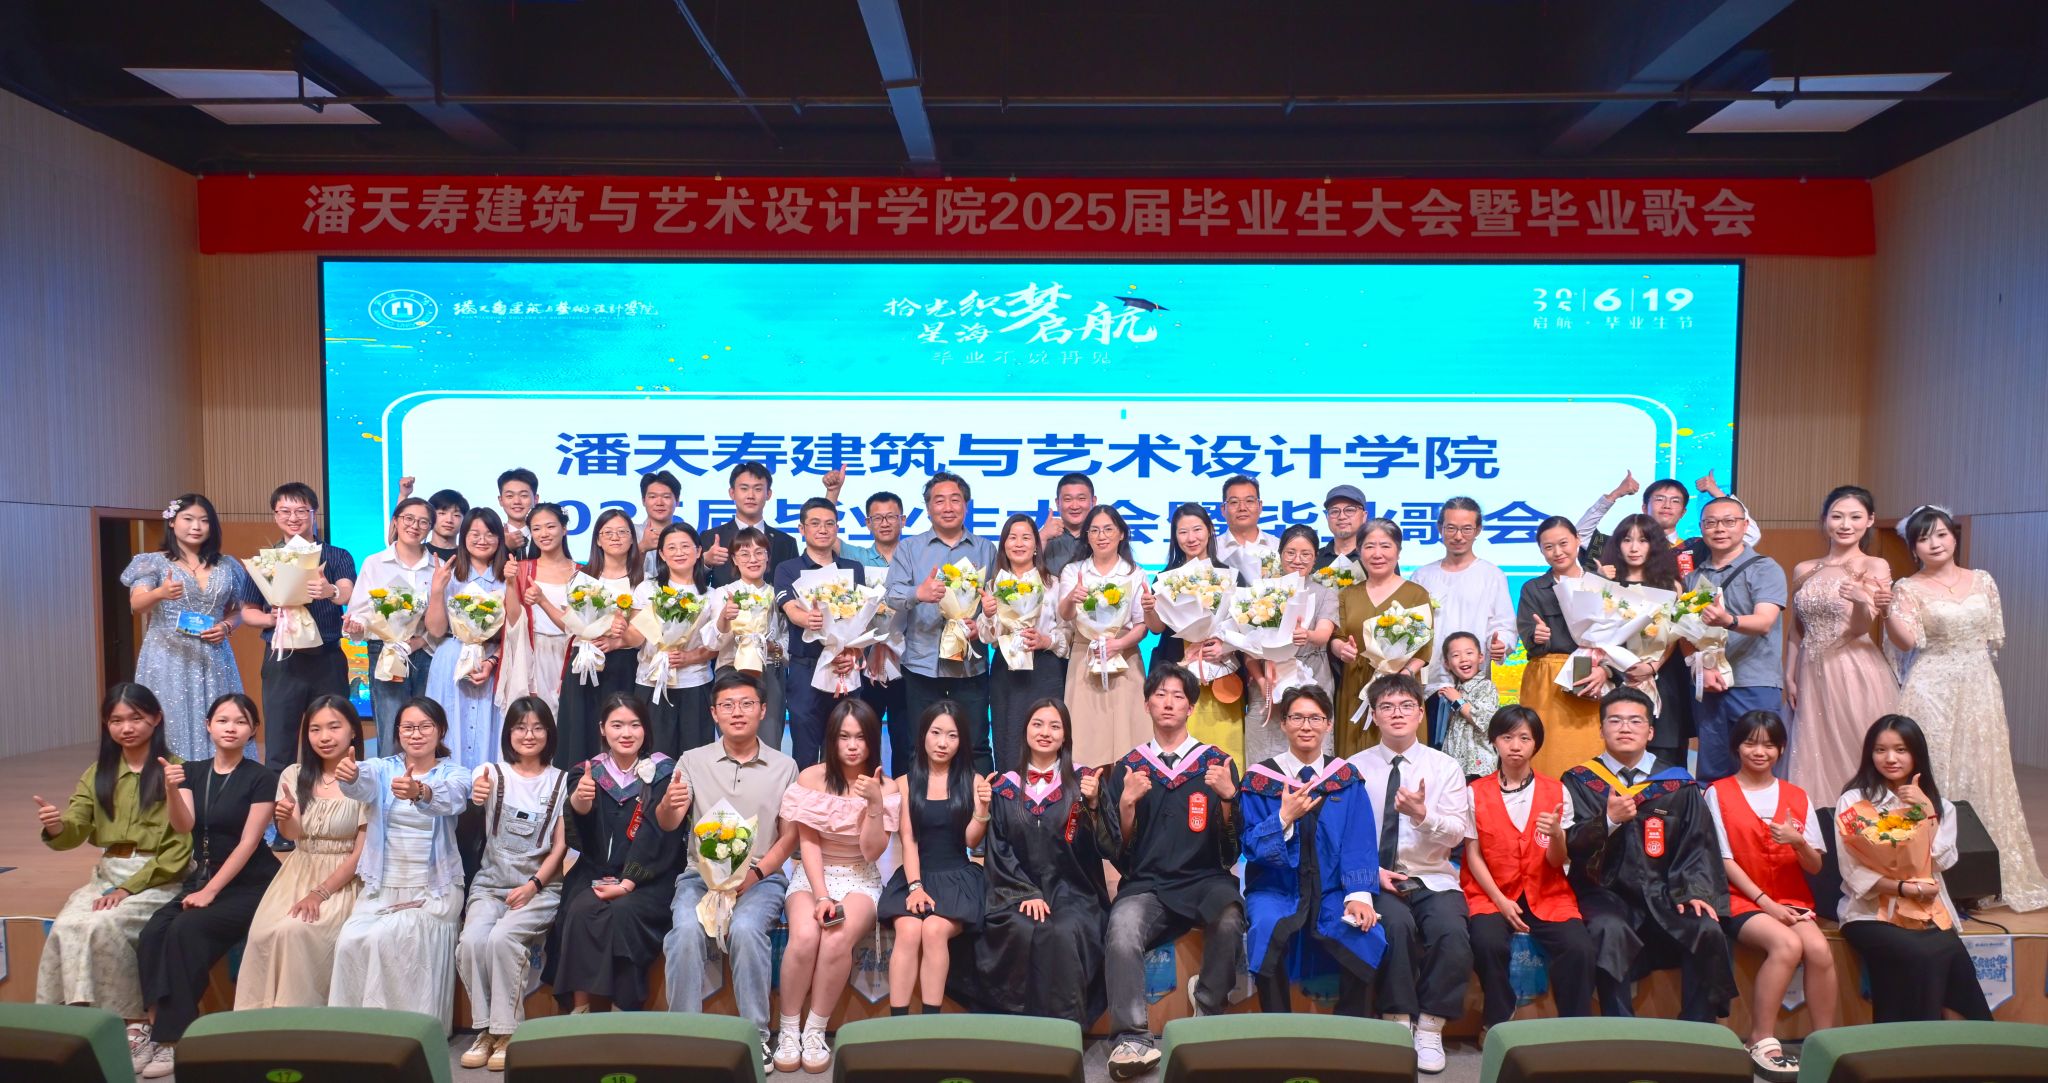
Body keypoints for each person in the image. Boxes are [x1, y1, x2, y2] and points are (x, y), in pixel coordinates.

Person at [1884, 505, 2048, 911]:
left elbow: (1991, 637)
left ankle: (1985, 873)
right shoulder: (1907, 588)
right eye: (1924, 538)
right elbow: (1906, 642)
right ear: (1913, 547)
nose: (1935, 543)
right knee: (1933, 769)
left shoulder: (1983, 580)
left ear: (1954, 536)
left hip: (1978, 686)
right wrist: (1888, 609)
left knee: (1984, 770)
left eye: (1941, 534)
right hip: (1930, 686)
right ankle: (1928, 870)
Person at [1093, 665, 1246, 1081]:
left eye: (1178, 696)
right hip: (1149, 883)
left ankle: (1208, 1009)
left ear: (1191, 707)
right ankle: (1131, 1037)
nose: (1168, 703)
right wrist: (1126, 804)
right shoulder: (1129, 768)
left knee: (1230, 916)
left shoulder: (1216, 763)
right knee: (1122, 927)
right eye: (1160, 695)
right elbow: (1119, 851)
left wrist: (1228, 798)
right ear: (1147, 704)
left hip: (1204, 878)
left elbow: (1231, 848)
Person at [35, 684, 193, 1066]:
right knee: (68, 925)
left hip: (158, 876)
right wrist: (56, 827)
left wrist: (127, 889)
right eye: (116, 720)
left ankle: (132, 1023)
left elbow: (179, 848)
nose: (126, 728)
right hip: (107, 874)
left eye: (135, 718)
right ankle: (69, 1023)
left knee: (104, 925)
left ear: (156, 718)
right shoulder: (97, 773)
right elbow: (76, 827)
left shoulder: (174, 769)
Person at [656, 671, 800, 1070]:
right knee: (684, 931)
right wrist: (668, 803)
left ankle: (756, 1037)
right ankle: (685, 1035)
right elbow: (669, 822)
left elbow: (789, 837)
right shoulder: (692, 760)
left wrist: (756, 876)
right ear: (714, 713)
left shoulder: (785, 766)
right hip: (699, 876)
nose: (738, 712)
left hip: (760, 877)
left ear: (763, 710)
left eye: (747, 704)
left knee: (747, 930)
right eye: (728, 705)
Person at [1563, 687, 1734, 1023]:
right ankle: (1621, 1031)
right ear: (1601, 729)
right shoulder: (1580, 780)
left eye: (1635, 721)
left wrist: (1695, 892)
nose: (1625, 728)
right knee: (1608, 929)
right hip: (1604, 892)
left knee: (1706, 927)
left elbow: (1698, 844)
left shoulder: (1678, 784)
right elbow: (1571, 844)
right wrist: (1608, 820)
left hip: (1667, 892)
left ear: (1650, 731)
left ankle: (1699, 1031)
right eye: (1615, 721)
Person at [132, 695, 279, 1079]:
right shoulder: (190, 771)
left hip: (250, 884)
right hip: (202, 880)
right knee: (153, 932)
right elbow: (184, 825)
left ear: (253, 730)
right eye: (223, 720)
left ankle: (173, 1040)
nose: (231, 727)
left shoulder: (262, 778)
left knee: (186, 929)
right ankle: (156, 1028)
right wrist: (170, 790)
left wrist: (211, 891)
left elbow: (249, 843)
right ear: (208, 725)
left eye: (241, 721)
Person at [1344, 673, 1472, 1074]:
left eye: (1405, 706)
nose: (1396, 714)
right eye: (1386, 707)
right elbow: (1344, 835)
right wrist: (1370, 873)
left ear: (1420, 713)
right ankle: (1397, 1020)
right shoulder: (1354, 768)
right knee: (1395, 927)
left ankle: (1431, 1025)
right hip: (1377, 876)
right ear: (1374, 715)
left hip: (1432, 875)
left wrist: (1422, 815)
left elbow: (1458, 833)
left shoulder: (1445, 767)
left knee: (1451, 931)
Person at [1834, 714, 1993, 1023]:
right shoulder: (1854, 801)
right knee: (1920, 955)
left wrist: (1925, 811)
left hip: (1927, 912)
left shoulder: (1940, 805)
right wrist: (1904, 888)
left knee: (1954, 957)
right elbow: (1851, 870)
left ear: (1916, 754)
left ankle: (1967, 1045)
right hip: (1870, 913)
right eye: (1880, 750)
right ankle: (1912, 1042)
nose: (1890, 758)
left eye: (1901, 750)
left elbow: (1940, 862)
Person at [329, 696, 470, 1034]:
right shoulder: (381, 768)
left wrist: (419, 791)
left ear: (441, 731)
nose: (416, 734)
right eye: (408, 727)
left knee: (389, 935)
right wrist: (349, 775)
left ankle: (405, 1034)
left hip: (434, 890)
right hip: (383, 887)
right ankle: (353, 1033)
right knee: (349, 940)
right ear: (397, 732)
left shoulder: (455, 772)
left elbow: (452, 798)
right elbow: (361, 783)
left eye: (424, 726)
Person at [1240, 686, 1383, 1018]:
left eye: (1315, 718)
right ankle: (1278, 1029)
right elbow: (1250, 845)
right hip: (1276, 888)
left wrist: (1359, 895)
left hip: (1333, 890)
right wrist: (1283, 818)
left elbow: (1359, 840)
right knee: (1266, 927)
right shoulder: (1260, 780)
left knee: (1365, 930)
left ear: (1329, 724)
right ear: (1283, 724)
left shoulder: (1346, 779)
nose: (1306, 726)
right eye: (1297, 717)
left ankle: (1352, 1030)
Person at [774, 699, 900, 1074]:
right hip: (813, 876)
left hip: (860, 876)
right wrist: (821, 895)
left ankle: (815, 1030)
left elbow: (872, 852)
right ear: (832, 739)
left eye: (861, 737)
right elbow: (808, 843)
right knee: (804, 936)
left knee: (836, 937)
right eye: (844, 737)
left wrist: (874, 805)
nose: (852, 745)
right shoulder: (810, 778)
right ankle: (788, 1030)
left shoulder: (887, 786)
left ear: (872, 740)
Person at [1710, 711, 1834, 1081]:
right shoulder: (1717, 792)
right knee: (1787, 945)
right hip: (1742, 899)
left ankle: (1824, 1042)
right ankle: (1761, 1039)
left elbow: (1815, 866)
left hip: (1792, 899)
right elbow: (1724, 860)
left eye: (1768, 744)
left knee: (1819, 950)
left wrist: (1798, 842)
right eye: (1750, 743)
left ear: (1781, 749)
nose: (1759, 751)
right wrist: (1766, 903)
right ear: (1737, 747)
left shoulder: (1797, 796)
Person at [974, 699, 1110, 1027]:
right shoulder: (1004, 786)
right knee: (1019, 929)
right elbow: (999, 848)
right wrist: (1026, 892)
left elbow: (1107, 845)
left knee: (1064, 931)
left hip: (1074, 890)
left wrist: (1095, 805)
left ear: (1065, 736)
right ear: (1025, 731)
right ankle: (1018, 1032)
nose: (1045, 732)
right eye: (1037, 724)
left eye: (1054, 726)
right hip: (1016, 892)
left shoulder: (1084, 782)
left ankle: (1064, 1033)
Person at [1462, 705, 1595, 1033]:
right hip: (1491, 893)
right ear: (1494, 741)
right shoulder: (1475, 792)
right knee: (1487, 942)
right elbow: (1473, 854)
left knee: (1578, 947)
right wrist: (1500, 900)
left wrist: (1557, 836)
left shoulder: (1557, 791)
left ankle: (1574, 1029)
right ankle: (1495, 1021)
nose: (1515, 746)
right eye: (1507, 737)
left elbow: (1557, 861)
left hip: (1547, 891)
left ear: (1536, 744)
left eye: (1525, 738)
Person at [455, 697, 569, 1068]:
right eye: (520, 727)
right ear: (508, 733)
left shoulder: (561, 781)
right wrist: (477, 794)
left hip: (540, 886)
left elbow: (560, 846)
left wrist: (534, 885)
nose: (528, 735)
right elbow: (475, 790)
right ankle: (486, 1030)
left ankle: (507, 1032)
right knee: (472, 941)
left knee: (503, 939)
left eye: (537, 727)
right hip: (491, 884)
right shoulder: (491, 772)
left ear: (549, 733)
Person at [234, 696, 367, 1011]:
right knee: (263, 933)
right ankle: (259, 1022)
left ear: (352, 731)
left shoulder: (366, 778)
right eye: (315, 729)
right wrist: (284, 816)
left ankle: (298, 1022)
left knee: (296, 931)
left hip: (343, 880)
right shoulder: (294, 774)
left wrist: (320, 894)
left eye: (334, 727)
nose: (324, 737)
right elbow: (292, 834)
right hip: (298, 869)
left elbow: (361, 854)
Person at [553, 693, 680, 1013]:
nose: (626, 733)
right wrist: (580, 801)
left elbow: (657, 834)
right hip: (596, 869)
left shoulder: (663, 773)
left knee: (624, 913)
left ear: (645, 730)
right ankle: (579, 1009)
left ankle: (623, 1008)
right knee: (580, 909)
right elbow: (579, 826)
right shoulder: (587, 772)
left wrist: (627, 882)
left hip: (649, 876)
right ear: (602, 728)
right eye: (617, 725)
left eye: (635, 725)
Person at [1786, 486, 1897, 805]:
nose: (1845, 524)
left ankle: (1867, 818)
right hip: (1810, 671)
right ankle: (1820, 820)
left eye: (1855, 517)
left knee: (1855, 744)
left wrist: (1861, 600)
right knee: (1813, 749)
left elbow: (1862, 628)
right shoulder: (1804, 568)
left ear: (1870, 520)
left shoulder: (1874, 565)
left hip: (1853, 668)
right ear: (1825, 519)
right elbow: (1796, 629)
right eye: (1837, 516)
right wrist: (1789, 675)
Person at [878, 702, 990, 1016]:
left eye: (952, 736)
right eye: (936, 733)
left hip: (957, 877)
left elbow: (970, 841)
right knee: (908, 931)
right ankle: (897, 1024)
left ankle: (930, 1023)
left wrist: (982, 809)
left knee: (934, 930)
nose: (943, 743)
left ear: (961, 741)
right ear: (923, 735)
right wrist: (915, 887)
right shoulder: (904, 783)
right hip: (915, 875)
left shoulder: (973, 780)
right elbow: (908, 840)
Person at [122, 493, 251, 761]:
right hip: (167, 657)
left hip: (214, 656)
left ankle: (219, 779)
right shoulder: (152, 562)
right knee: (171, 719)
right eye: (188, 519)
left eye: (204, 520)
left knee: (220, 717)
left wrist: (226, 626)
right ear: (172, 522)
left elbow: (240, 609)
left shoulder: (228, 565)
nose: (196, 526)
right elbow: (137, 603)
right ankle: (169, 779)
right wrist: (160, 593)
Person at [883, 472, 997, 772]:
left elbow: (997, 603)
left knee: (976, 745)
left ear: (966, 505)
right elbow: (891, 595)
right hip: (922, 665)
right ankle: (919, 804)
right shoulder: (910, 548)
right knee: (918, 746)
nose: (948, 507)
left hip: (970, 666)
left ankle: (981, 803)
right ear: (928, 507)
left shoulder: (986, 549)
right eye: (939, 500)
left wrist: (982, 625)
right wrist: (918, 593)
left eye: (955, 500)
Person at [240, 482, 356, 770]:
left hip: (327, 658)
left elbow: (347, 592)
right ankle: (282, 799)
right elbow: (248, 612)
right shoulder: (265, 561)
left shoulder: (337, 555)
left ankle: (337, 796)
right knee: (279, 743)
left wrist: (330, 591)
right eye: (285, 511)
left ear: (314, 513)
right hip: (282, 660)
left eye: (301, 510)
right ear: (275, 515)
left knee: (334, 737)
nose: (293, 518)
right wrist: (270, 618)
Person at [1688, 496, 1789, 785]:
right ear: (1701, 528)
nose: (1719, 528)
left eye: (1729, 521)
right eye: (1711, 523)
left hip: (1754, 682)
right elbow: (1688, 632)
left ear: (1745, 526)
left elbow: (1764, 621)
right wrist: (1701, 668)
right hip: (1711, 685)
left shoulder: (1765, 568)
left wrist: (1728, 620)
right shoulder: (1695, 576)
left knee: (1759, 765)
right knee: (1712, 771)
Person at [1145, 502, 1246, 766]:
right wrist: (1148, 609)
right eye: (1183, 532)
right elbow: (1157, 628)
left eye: (1197, 529)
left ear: (1210, 530)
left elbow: (1246, 626)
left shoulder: (1230, 576)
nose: (1191, 538)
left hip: (1222, 671)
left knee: (1224, 748)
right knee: (1181, 746)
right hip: (1179, 670)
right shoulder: (1165, 578)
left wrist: (1225, 645)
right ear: (1174, 537)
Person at [775, 497, 870, 768]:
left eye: (830, 524)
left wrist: (853, 653)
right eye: (815, 523)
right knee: (805, 751)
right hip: (805, 669)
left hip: (844, 668)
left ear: (837, 528)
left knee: (843, 751)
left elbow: (862, 619)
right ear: (802, 529)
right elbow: (790, 608)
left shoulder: (853, 569)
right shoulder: (787, 568)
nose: (823, 529)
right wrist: (809, 619)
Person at [1057, 503, 1153, 769]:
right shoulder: (1073, 571)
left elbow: (1142, 624)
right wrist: (1071, 598)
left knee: (1127, 737)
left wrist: (1119, 644)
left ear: (1121, 534)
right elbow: (1065, 614)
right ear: (1086, 536)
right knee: (1085, 736)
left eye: (1108, 529)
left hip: (1125, 659)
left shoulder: (1135, 573)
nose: (1102, 536)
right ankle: (1086, 792)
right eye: (1095, 530)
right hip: (1084, 656)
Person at [1516, 516, 1611, 779]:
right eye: (1548, 547)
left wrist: (1606, 671)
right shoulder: (1533, 588)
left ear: (1578, 540)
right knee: (1545, 753)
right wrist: (1537, 637)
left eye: (1563, 543)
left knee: (1590, 752)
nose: (1557, 552)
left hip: (1589, 675)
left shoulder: (1599, 584)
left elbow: (1616, 639)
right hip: (1546, 680)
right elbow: (1527, 635)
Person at [1331, 518, 1435, 758]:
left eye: (1385, 546)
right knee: (1355, 760)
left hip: (1400, 687)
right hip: (1356, 685)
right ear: (1359, 551)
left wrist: (1405, 674)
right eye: (1369, 546)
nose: (1377, 554)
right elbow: (1337, 636)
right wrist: (1341, 649)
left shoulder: (1416, 594)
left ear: (1398, 551)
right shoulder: (1347, 594)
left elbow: (1424, 647)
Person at [553, 508, 647, 768]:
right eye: (608, 533)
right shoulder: (581, 578)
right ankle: (578, 787)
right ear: (597, 539)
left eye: (622, 532)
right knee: (580, 730)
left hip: (622, 667)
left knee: (618, 729)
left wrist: (618, 640)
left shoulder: (642, 581)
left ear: (632, 538)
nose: (615, 537)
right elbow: (570, 622)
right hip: (584, 662)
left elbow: (641, 635)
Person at [344, 497, 436, 756]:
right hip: (385, 652)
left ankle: (422, 780)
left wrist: (421, 641)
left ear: (430, 528)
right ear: (395, 521)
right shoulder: (375, 563)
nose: (415, 526)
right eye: (409, 519)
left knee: (426, 727)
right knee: (391, 727)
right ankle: (391, 781)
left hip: (426, 654)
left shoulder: (436, 566)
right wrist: (356, 627)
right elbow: (360, 611)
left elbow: (445, 618)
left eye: (423, 522)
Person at [978, 512, 1069, 772]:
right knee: (1007, 738)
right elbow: (987, 637)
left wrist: (1046, 640)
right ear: (1004, 544)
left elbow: (1068, 633)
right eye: (1012, 537)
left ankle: (1048, 794)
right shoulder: (994, 585)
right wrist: (988, 614)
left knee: (1046, 737)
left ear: (1036, 545)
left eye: (1026, 538)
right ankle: (1009, 795)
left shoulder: (1052, 584)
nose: (1019, 543)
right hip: (1006, 672)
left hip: (1045, 670)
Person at [1599, 512, 1691, 764]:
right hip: (1616, 678)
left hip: (1662, 678)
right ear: (1617, 544)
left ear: (1655, 545)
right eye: (1627, 540)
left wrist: (1653, 666)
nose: (1634, 548)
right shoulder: (1606, 584)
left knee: (1664, 755)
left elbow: (1677, 635)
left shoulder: (1671, 585)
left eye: (1643, 540)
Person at [423, 508, 509, 769]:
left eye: (490, 534)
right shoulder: (449, 574)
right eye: (475, 533)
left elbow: (513, 633)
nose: (482, 540)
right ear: (464, 537)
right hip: (453, 657)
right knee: (450, 724)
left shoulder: (508, 577)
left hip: (493, 658)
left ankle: (487, 787)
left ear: (499, 538)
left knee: (490, 727)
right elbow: (436, 630)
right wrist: (437, 590)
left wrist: (493, 661)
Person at [1410, 497, 1515, 692]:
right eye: (1451, 528)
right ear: (1439, 529)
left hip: (1473, 684)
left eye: (1466, 529)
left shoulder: (1492, 575)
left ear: (1478, 530)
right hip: (1427, 681)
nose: (1458, 536)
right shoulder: (1422, 576)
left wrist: (1501, 644)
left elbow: (1504, 625)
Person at [635, 522, 718, 757]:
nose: (679, 553)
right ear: (661, 554)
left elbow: (716, 644)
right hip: (651, 682)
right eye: (671, 548)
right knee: (652, 758)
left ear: (699, 551)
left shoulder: (711, 595)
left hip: (695, 684)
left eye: (685, 546)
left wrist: (690, 657)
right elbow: (636, 638)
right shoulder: (647, 589)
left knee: (696, 757)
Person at [706, 527, 790, 752]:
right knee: (731, 741)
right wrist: (724, 618)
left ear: (768, 557)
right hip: (730, 670)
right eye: (744, 554)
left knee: (770, 742)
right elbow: (712, 643)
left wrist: (773, 648)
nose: (753, 559)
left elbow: (786, 640)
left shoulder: (778, 594)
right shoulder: (723, 594)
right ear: (734, 559)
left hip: (769, 673)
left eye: (759, 552)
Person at [1577, 470, 1759, 568]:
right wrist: (1615, 494)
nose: (1667, 505)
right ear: (1644, 508)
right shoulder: (1624, 545)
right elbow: (1580, 535)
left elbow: (1750, 534)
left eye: (1675, 501)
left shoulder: (1696, 548)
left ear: (1683, 513)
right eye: (1659, 499)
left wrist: (1717, 493)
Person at [497, 502, 575, 716]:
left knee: (569, 719)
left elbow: (579, 625)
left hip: (570, 654)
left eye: (550, 527)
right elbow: (513, 621)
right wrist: (510, 583)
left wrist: (542, 600)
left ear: (564, 529)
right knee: (534, 719)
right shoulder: (522, 568)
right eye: (537, 529)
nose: (544, 534)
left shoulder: (580, 572)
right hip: (533, 653)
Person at [704, 461, 799, 587]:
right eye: (744, 488)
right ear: (732, 493)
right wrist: (705, 563)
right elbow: (696, 588)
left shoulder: (786, 542)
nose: (750, 495)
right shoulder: (710, 537)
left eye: (758, 489)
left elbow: (796, 587)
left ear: (768, 494)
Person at [1429, 632, 1500, 779]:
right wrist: (1447, 702)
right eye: (1456, 655)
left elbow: (1484, 721)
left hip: (1478, 767)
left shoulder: (1486, 686)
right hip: (1455, 765)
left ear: (1481, 657)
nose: (1463, 659)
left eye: (1469, 653)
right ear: (1447, 664)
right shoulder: (1455, 689)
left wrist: (1458, 700)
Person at [1214, 474, 1280, 584]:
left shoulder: (1278, 546)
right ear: (1223, 509)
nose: (1242, 508)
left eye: (1249, 501)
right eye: (1234, 502)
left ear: (1260, 506)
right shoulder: (1212, 549)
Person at [1037, 472, 1098, 577]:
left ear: (1093, 501)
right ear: (1057, 503)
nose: (1074, 506)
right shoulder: (1044, 537)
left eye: (1081, 499)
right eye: (1068, 499)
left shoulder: (1103, 537)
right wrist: (1041, 538)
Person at [636, 470, 684, 574]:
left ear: (677, 501)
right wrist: (642, 548)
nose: (659, 503)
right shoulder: (630, 533)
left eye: (666, 497)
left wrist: (705, 562)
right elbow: (618, 572)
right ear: (643, 501)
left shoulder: (686, 536)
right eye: (652, 497)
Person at [1313, 484, 1367, 569]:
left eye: (1349, 510)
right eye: (1334, 511)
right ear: (1327, 517)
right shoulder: (1314, 560)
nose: (1342, 517)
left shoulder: (1375, 558)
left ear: (1364, 516)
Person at [496, 468, 540, 561]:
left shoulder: (544, 537)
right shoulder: (493, 538)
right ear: (500, 500)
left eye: (524, 495)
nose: (517, 501)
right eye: (510, 496)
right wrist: (504, 546)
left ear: (536, 499)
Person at [424, 488, 469, 562]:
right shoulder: (417, 551)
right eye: (442, 513)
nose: (449, 520)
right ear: (430, 516)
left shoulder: (469, 556)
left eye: (456, 515)